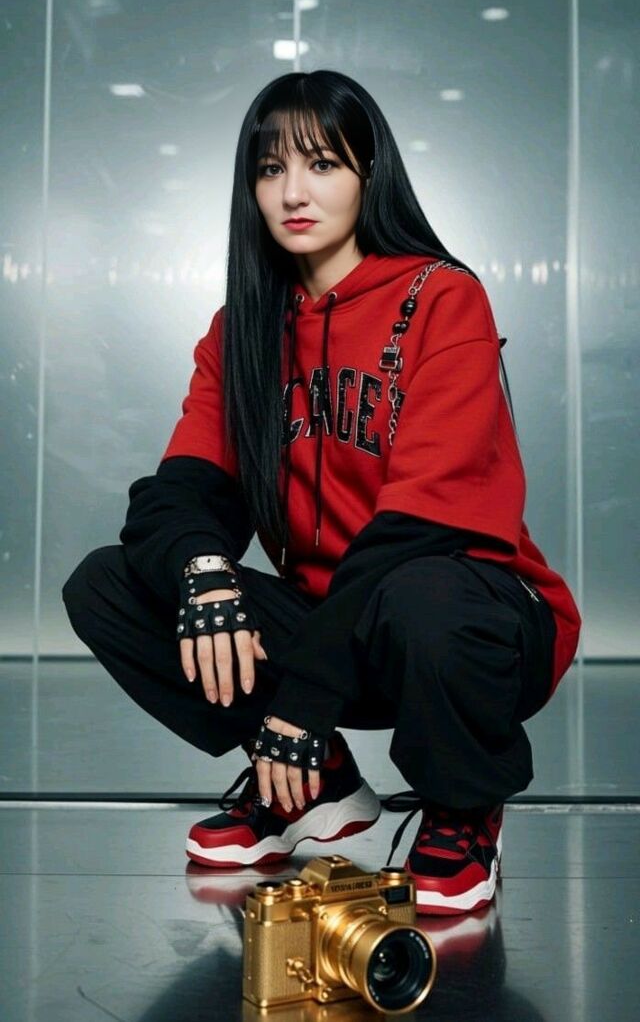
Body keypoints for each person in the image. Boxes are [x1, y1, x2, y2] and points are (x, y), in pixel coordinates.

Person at [61, 69, 581, 917]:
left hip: (466, 625)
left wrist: (300, 701)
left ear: (369, 173)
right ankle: (318, 785)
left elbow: (424, 523)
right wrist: (204, 576)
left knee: (422, 589)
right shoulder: (243, 331)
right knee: (109, 582)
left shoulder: (442, 298)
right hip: (332, 631)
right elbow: (180, 494)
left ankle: (464, 804)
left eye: (322, 164)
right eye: (271, 169)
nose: (293, 192)